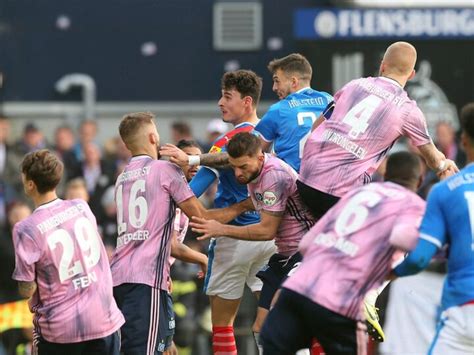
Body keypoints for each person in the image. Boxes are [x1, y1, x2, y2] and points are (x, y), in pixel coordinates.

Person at [110, 112, 253, 355]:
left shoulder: (122, 178)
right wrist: (245, 205)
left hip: (118, 279)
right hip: (147, 281)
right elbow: (201, 216)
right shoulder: (165, 170)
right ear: (154, 137)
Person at [260, 151, 426, 354]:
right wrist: (392, 273)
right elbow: (417, 253)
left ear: (385, 174)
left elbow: (307, 244)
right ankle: (369, 298)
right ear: (420, 180)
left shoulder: (357, 194)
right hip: (341, 301)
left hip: (297, 288)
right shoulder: (413, 205)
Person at [162, 70, 276, 355]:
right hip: (269, 237)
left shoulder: (228, 142)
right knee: (274, 319)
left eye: (227, 97)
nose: (220, 103)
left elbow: (195, 189)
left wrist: (169, 177)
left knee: (223, 324)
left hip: (232, 240)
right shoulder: (271, 135)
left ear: (247, 102)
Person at [298, 41, 458, 222]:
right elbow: (434, 160)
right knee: (388, 233)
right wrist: (445, 165)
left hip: (305, 181)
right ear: (412, 75)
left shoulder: (354, 85)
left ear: (383, 65)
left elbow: (316, 127)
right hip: (340, 197)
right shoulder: (408, 110)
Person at [191, 132, 314, 354]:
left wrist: (222, 228)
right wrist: (234, 209)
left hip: (304, 251)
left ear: (259, 157)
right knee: (261, 327)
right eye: (234, 167)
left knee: (284, 320)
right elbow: (261, 200)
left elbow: (267, 231)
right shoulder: (254, 173)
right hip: (283, 255)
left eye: (243, 167)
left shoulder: (272, 176)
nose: (238, 173)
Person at [11, 149, 125, 355]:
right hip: (104, 319)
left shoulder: (26, 228)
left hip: (61, 331)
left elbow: (27, 288)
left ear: (30, 184)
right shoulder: (82, 207)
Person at [392, 103, 474, 354]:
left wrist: (390, 273)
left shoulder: (446, 191)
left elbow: (419, 259)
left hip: (464, 309)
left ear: (463, 141)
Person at [254, 53, 332, 172]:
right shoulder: (330, 101)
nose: (274, 88)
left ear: (294, 82)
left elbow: (254, 154)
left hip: (291, 184)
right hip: (326, 180)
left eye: (277, 81)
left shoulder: (278, 109)